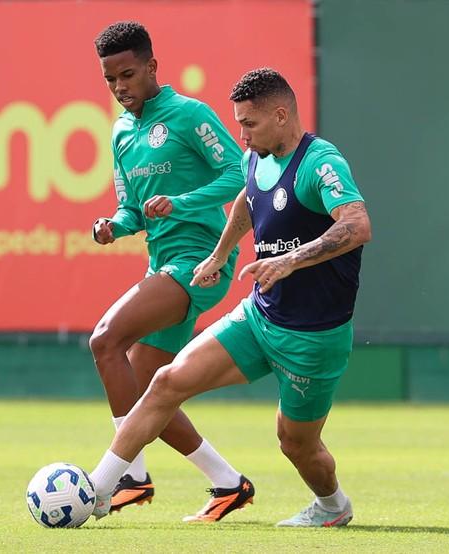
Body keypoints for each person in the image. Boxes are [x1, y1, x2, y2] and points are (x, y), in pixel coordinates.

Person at [89, 67, 371, 527]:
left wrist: (290, 260)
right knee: (165, 383)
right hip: (259, 318)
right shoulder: (254, 158)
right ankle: (98, 490)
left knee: (296, 444)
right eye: (239, 124)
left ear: (281, 116)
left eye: (250, 124)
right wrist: (220, 254)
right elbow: (246, 199)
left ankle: (333, 506)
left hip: (313, 338)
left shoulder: (321, 162)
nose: (241, 135)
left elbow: (357, 225)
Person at [88, 21, 254, 522]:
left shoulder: (188, 115)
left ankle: (129, 475)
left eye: (128, 75)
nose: (120, 87)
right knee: (148, 393)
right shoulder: (121, 132)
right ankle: (228, 483)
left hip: (201, 260)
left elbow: (240, 174)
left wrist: (181, 202)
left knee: (105, 340)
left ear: (153, 67)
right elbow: (132, 209)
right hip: (161, 263)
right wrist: (113, 226)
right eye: (110, 79)